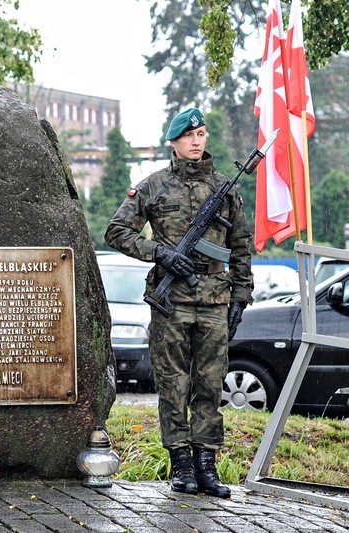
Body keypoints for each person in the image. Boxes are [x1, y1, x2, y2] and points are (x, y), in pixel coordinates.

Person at [104, 108, 253, 499]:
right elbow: (116, 231)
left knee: (210, 383)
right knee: (173, 384)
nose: (196, 141)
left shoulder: (226, 188)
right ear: (174, 142)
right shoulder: (153, 187)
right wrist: (160, 253)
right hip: (171, 302)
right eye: (189, 136)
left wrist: (241, 296)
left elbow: (241, 248)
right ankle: (181, 464)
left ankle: (207, 464)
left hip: (214, 301)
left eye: (202, 133)